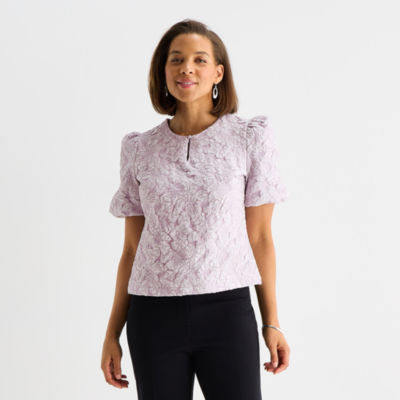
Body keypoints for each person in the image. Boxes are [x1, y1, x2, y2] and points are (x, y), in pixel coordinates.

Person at [101, 18, 291, 400]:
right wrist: (112, 333)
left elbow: (259, 237)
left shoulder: (247, 139)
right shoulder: (139, 149)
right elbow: (131, 250)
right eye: (176, 59)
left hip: (227, 312)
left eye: (199, 59)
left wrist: (271, 322)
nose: (186, 68)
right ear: (163, 71)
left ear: (218, 72)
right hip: (152, 318)